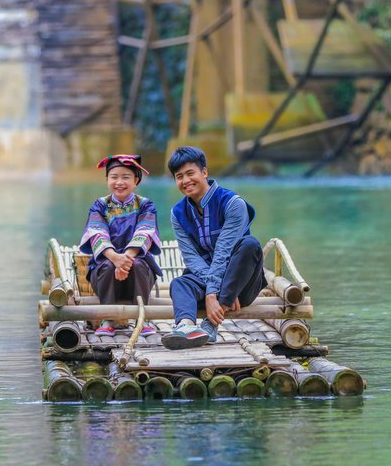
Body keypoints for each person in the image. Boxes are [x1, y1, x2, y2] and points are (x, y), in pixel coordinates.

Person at [161, 146, 264, 350]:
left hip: (240, 286)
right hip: (212, 284)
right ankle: (186, 327)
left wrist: (214, 294)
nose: (185, 180)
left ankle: (210, 324)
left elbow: (223, 252)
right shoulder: (178, 213)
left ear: (204, 172)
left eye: (190, 173)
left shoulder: (232, 203)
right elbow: (191, 258)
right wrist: (214, 289)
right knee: (179, 283)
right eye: (179, 177)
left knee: (250, 245)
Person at [79, 154, 162, 337]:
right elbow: (97, 233)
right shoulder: (100, 205)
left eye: (126, 177)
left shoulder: (145, 205)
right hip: (107, 266)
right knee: (107, 266)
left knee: (139, 265)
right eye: (114, 177)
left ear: (136, 181)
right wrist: (115, 258)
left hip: (137, 265)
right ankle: (108, 319)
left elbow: (145, 232)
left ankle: (142, 319)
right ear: (107, 179)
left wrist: (125, 260)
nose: (119, 182)